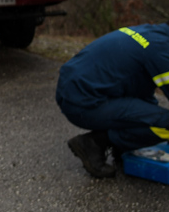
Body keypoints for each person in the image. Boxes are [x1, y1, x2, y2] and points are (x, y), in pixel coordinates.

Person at [56, 22, 169, 178]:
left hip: (73, 90)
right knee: (165, 125)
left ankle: (122, 145)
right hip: (84, 103)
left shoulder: (152, 33)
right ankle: (96, 143)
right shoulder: (161, 51)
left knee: (150, 112)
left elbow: (142, 91)